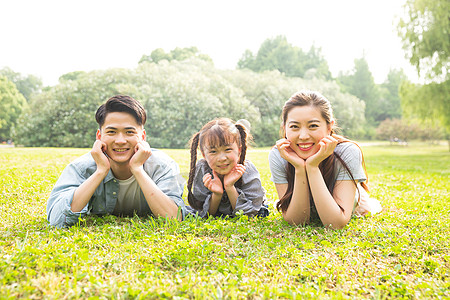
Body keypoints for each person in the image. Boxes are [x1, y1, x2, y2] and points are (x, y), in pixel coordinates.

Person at [47, 95, 185, 228]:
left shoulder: (164, 166)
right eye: (112, 132)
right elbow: (57, 219)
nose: (120, 141)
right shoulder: (81, 167)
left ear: (142, 136)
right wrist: (100, 171)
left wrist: (137, 169)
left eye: (129, 132)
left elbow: (174, 218)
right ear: (99, 136)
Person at [269, 90, 381, 229]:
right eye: (294, 127)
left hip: (349, 201)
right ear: (284, 128)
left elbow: (335, 223)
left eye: (313, 126)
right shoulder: (279, 155)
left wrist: (312, 167)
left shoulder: (347, 152)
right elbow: (297, 222)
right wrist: (299, 168)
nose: (303, 136)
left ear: (329, 127)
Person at [186, 118, 269, 218]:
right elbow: (205, 214)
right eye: (213, 152)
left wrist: (229, 187)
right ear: (204, 155)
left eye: (227, 149)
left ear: (239, 150)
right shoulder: (202, 168)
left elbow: (248, 214)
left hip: (247, 209)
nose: (222, 158)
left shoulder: (247, 169)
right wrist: (217, 194)